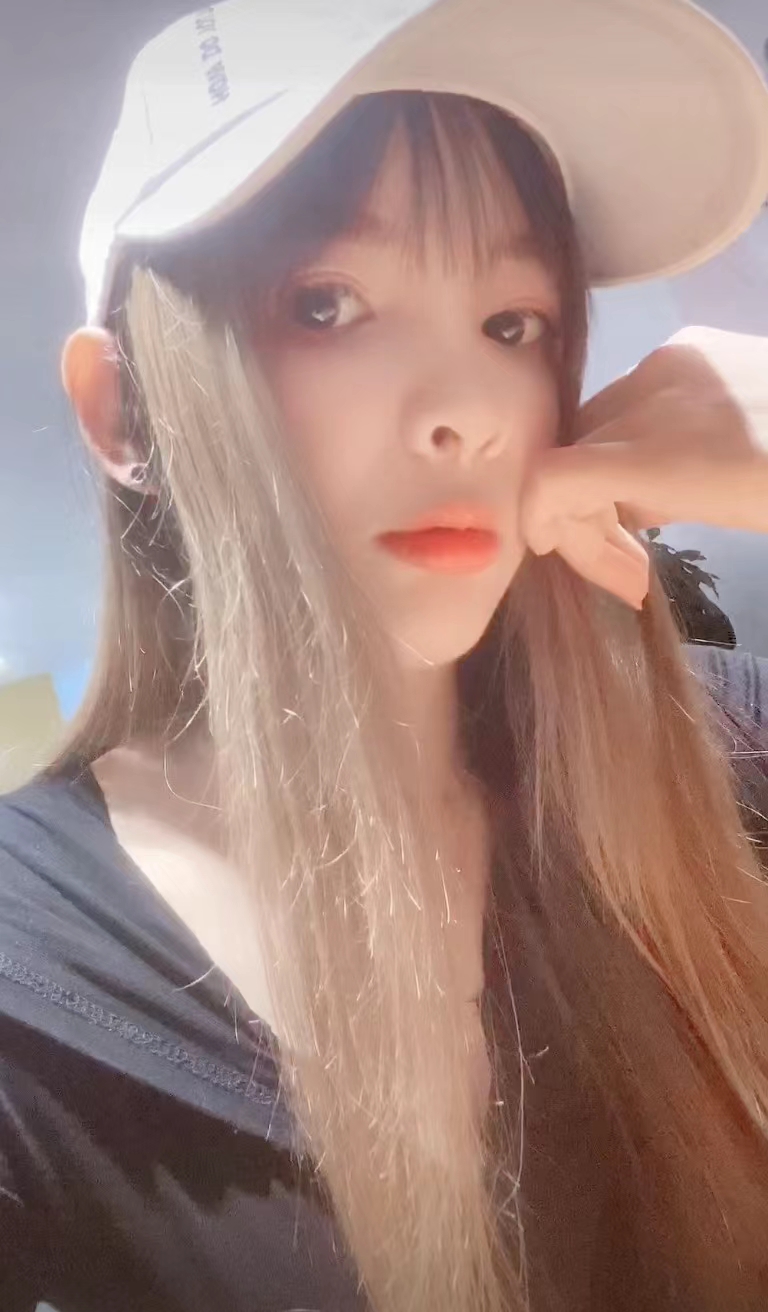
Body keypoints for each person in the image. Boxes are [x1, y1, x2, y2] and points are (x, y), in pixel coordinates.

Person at [2, 1, 768, 1309]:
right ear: (122, 410)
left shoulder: (726, 757)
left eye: (514, 323)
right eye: (329, 303)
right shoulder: (34, 970)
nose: (466, 412)